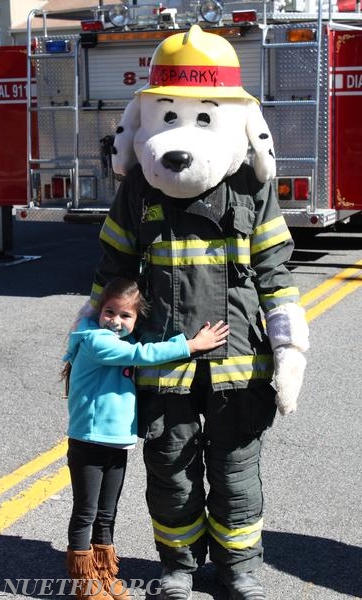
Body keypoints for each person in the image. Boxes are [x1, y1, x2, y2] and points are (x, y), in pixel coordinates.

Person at [88, 26, 309, 600]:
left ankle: (239, 568)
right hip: (164, 365)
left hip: (238, 368)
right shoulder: (138, 191)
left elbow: (275, 272)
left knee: (236, 475)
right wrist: (88, 345)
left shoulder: (250, 189)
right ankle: (179, 568)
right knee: (170, 473)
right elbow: (112, 270)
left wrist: (289, 349)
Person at [62, 277, 229, 600]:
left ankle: (104, 573)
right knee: (86, 511)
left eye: (126, 316)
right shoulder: (97, 341)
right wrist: (191, 345)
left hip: (115, 441)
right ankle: (83, 581)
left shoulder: (113, 339)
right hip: (88, 442)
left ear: (137, 319)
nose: (116, 321)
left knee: (106, 513)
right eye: (110, 312)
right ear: (99, 310)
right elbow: (144, 354)